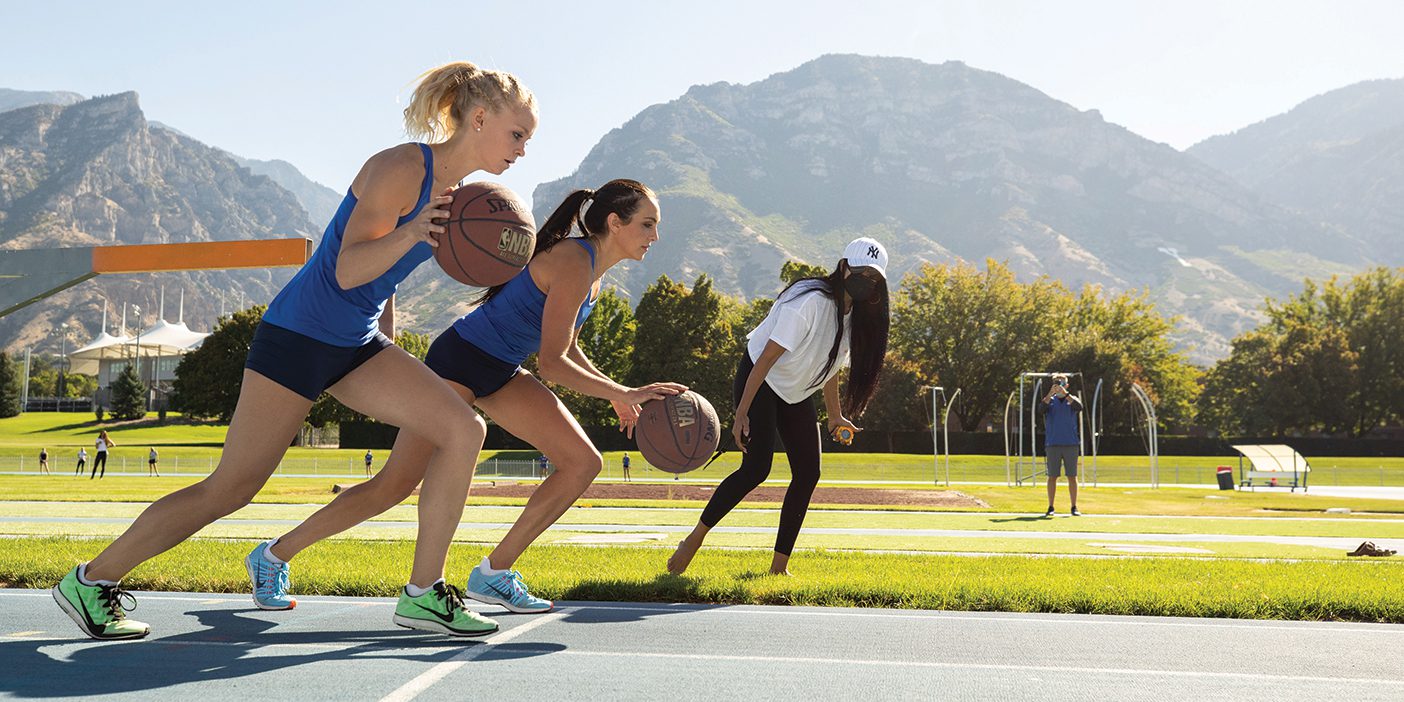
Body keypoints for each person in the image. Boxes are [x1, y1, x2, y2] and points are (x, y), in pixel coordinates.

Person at [52, 60, 538, 641]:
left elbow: (378, 283)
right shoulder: (402, 167)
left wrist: (390, 334)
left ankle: (424, 594)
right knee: (230, 489)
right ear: (480, 118)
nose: (522, 150)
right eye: (517, 134)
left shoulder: (462, 197)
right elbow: (348, 266)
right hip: (298, 335)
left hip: (355, 341)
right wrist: (412, 233)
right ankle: (90, 579)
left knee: (463, 429)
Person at [249, 179, 684, 616]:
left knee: (582, 462)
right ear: (615, 222)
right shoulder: (574, 260)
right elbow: (551, 364)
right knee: (392, 486)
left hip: (500, 369)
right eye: (647, 224)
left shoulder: (592, 277)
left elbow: (567, 348)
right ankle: (273, 556)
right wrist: (623, 391)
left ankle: (493, 574)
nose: (654, 236)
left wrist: (612, 393)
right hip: (460, 360)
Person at [668, 238, 890, 576]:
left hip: (797, 390)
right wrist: (741, 413)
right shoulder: (809, 303)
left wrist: (834, 415)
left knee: (809, 473)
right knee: (756, 469)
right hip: (761, 377)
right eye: (861, 273)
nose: (866, 282)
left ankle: (778, 569)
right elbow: (768, 358)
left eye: (873, 278)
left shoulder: (855, 318)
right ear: (844, 267)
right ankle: (693, 540)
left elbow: (829, 365)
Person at [1043, 373, 1082, 517]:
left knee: (1072, 476)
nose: (1058, 385)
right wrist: (1050, 393)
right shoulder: (1050, 401)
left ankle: (1074, 507)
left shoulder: (1072, 400)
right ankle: (1051, 506)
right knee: (1052, 476)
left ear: (1067, 385)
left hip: (1071, 444)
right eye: (1056, 383)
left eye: (1061, 383)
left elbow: (1079, 407)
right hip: (1053, 444)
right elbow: (1041, 409)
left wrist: (1066, 394)